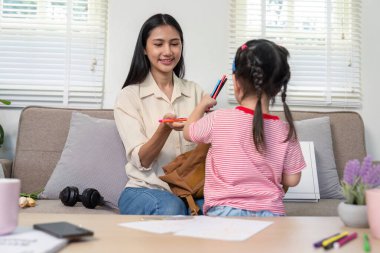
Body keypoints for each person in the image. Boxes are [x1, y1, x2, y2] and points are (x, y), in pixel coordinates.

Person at [183, 39, 306, 217]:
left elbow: (189, 132)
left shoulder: (219, 119)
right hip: (271, 215)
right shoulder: (285, 130)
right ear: (278, 88)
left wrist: (202, 105)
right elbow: (292, 180)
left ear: (236, 82)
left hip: (224, 213)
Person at [114, 14, 205, 215]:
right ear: (145, 49)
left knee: (222, 209)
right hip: (145, 189)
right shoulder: (129, 96)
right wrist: (164, 129)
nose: (168, 51)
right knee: (172, 207)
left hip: (190, 189)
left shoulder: (196, 92)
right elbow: (143, 161)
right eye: (158, 44)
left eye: (174, 44)